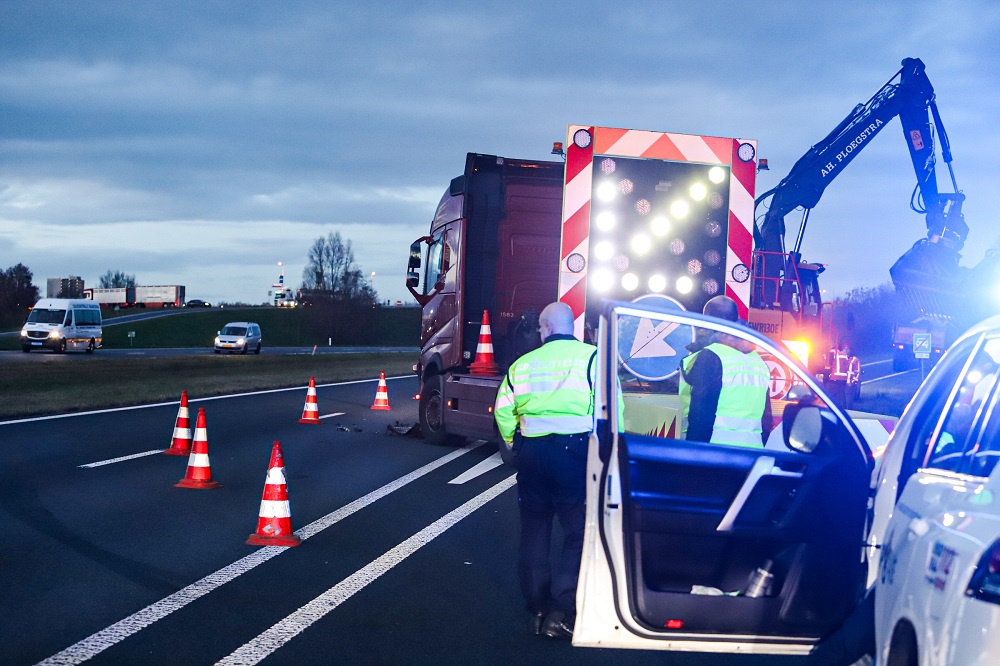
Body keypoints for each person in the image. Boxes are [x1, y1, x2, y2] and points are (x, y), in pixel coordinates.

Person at [494, 301, 597, 640]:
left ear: (547, 328)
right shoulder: (593, 359)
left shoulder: (522, 365)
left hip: (533, 455)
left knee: (534, 531)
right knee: (577, 532)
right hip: (575, 455)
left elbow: (504, 411)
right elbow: (613, 409)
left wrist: (515, 444)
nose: (538, 333)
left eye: (539, 328)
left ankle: (536, 605)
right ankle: (561, 609)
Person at [679, 295, 773, 446]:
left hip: (715, 453)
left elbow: (701, 415)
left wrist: (694, 453)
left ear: (709, 321)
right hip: (751, 453)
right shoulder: (758, 361)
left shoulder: (711, 356)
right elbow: (766, 419)